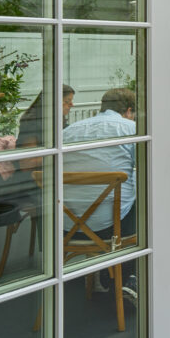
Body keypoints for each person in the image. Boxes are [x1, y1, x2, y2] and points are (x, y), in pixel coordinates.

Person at [62, 88, 138, 239]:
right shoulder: (131, 129)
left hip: (66, 225)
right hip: (112, 225)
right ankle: (127, 261)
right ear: (129, 111)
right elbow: (149, 167)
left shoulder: (68, 131)